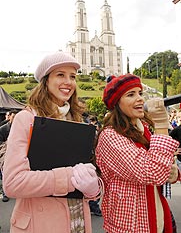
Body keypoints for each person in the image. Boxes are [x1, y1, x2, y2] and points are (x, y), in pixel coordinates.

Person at [3, 51, 102, 233]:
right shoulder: (26, 119)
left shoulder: (78, 121)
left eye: (72, 76)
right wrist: (69, 178)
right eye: (60, 75)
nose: (69, 82)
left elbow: (88, 175)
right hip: (40, 224)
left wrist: (93, 188)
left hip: (77, 221)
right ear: (45, 81)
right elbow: (12, 183)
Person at [95, 73, 180, 233]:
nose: (140, 98)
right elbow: (152, 172)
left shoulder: (143, 129)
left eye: (140, 93)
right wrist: (161, 124)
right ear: (116, 102)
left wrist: (173, 173)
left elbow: (161, 168)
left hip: (156, 216)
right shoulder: (110, 136)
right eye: (131, 94)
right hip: (130, 225)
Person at [0, 110, 17, 202]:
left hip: (18, 154)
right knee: (5, 172)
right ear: (9, 117)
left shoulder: (21, 128)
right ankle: (5, 192)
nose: (15, 119)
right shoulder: (3, 129)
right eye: (13, 117)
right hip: (6, 154)